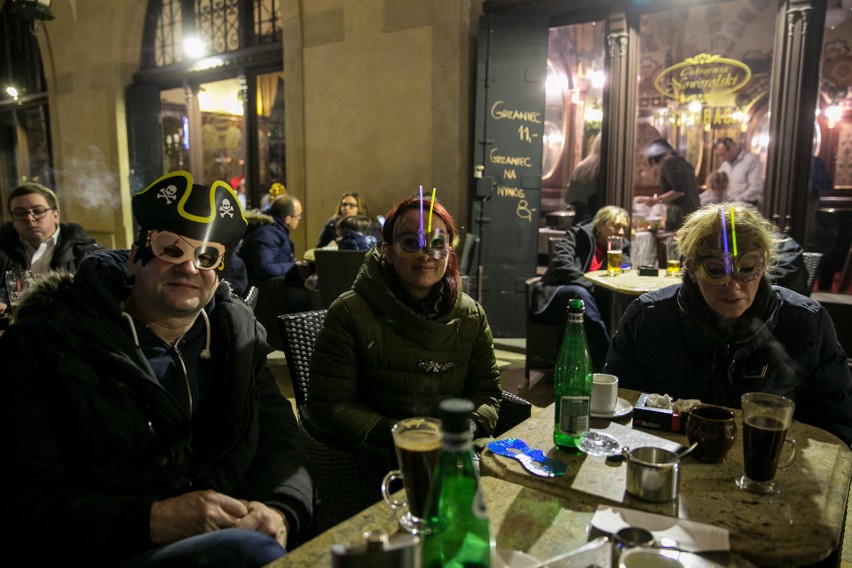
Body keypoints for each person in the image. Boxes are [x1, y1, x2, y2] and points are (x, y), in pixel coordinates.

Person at [0, 171, 313, 565]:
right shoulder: (48, 344)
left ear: (218, 275)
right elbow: (18, 501)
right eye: (171, 250)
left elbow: (282, 442)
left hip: (233, 539)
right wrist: (153, 519)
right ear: (135, 256)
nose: (189, 268)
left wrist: (280, 510)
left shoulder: (240, 342)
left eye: (207, 257)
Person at [606, 203, 852, 445]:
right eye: (715, 270)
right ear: (691, 268)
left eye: (746, 268)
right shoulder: (648, 318)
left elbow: (837, 428)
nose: (733, 286)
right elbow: (616, 408)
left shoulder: (805, 323)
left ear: (763, 265)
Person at [306, 195, 501, 451]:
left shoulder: (470, 314)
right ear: (387, 251)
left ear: (449, 252)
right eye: (410, 242)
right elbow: (328, 404)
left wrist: (467, 427)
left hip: (457, 453)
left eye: (438, 242)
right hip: (380, 459)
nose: (426, 254)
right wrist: (400, 435)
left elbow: (487, 392)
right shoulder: (350, 312)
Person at [530, 205, 631, 371]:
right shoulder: (578, 234)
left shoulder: (620, 245)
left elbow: (626, 267)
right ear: (599, 224)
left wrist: (622, 263)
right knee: (579, 294)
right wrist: (590, 285)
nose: (620, 232)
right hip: (558, 292)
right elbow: (561, 263)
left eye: (623, 228)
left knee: (616, 300)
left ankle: (609, 362)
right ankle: (608, 360)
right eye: (616, 226)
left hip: (593, 299)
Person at [0, 182, 101, 315]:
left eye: (38, 211)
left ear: (56, 215)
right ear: (12, 220)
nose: (29, 218)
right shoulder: (3, 248)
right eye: (20, 213)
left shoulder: (84, 251)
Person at [641, 138, 700, 231]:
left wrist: (656, 200)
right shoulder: (683, 162)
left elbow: (679, 191)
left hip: (679, 216)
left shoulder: (669, 163)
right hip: (692, 213)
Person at [713, 137, 764, 206]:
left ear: (732, 149)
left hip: (746, 208)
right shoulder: (725, 165)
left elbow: (755, 187)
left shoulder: (751, 161)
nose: (721, 158)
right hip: (728, 207)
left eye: (722, 154)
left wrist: (736, 201)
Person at [564, 132, 602, 224]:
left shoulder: (581, 167)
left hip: (580, 220)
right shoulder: (606, 168)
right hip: (599, 221)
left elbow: (569, 198)